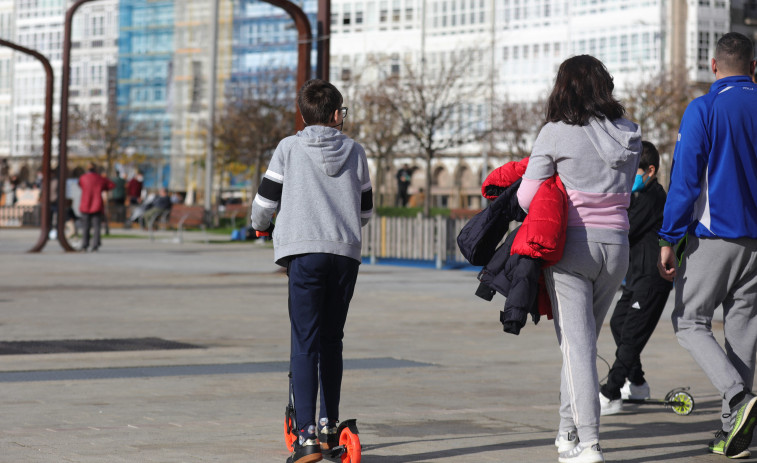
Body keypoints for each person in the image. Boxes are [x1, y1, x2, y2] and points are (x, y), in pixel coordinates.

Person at [516, 55, 641, 463]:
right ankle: (566, 431)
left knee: (576, 347)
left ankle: (589, 444)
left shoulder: (555, 133)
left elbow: (526, 198)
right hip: (617, 248)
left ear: (563, 87)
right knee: (582, 345)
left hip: (572, 248)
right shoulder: (630, 133)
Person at [250, 79, 373, 463]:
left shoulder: (288, 147)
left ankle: (305, 438)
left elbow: (265, 202)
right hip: (344, 253)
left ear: (303, 115)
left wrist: (261, 224)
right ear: (337, 114)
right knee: (332, 339)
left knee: (305, 341)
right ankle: (328, 424)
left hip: (304, 253)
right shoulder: (356, 151)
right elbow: (365, 210)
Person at [658, 32, 757, 459]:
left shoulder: (704, 108)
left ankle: (737, 399)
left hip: (716, 236)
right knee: (743, 335)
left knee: (689, 321)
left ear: (714, 66)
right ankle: (733, 434)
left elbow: (684, 180)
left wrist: (668, 236)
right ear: (754, 66)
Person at [599, 141, 673, 415]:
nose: (629, 179)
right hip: (636, 277)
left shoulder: (653, 197)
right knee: (619, 323)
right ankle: (638, 383)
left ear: (650, 171)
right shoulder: (640, 196)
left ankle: (611, 392)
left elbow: (623, 229)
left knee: (630, 335)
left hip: (653, 278)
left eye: (634, 172)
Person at [78, 162, 114, 252]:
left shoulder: (83, 178)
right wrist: (104, 185)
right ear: (96, 169)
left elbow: (80, 185)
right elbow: (111, 185)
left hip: (85, 204)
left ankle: (84, 245)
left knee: (85, 226)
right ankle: (95, 245)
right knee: (97, 226)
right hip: (96, 204)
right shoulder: (100, 178)